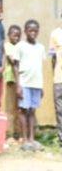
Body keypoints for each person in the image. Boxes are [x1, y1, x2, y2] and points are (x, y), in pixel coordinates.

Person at [16, 20, 45, 151]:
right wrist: (18, 85)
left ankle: (32, 139)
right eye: (30, 30)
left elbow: (39, 67)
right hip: (24, 83)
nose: (33, 32)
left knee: (32, 111)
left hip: (36, 83)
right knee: (23, 110)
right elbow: (16, 66)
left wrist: (41, 86)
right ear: (25, 31)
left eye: (35, 30)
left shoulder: (41, 47)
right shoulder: (20, 46)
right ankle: (24, 139)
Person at [4, 24, 22, 142]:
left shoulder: (21, 46)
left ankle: (18, 132)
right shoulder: (7, 46)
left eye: (18, 35)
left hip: (21, 80)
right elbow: (13, 60)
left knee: (19, 108)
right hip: (11, 80)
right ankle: (9, 133)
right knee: (10, 107)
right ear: (9, 35)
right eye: (14, 35)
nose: (16, 37)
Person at [50, 14, 62, 144]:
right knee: (60, 109)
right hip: (59, 78)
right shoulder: (55, 34)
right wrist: (55, 73)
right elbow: (52, 56)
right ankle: (61, 137)